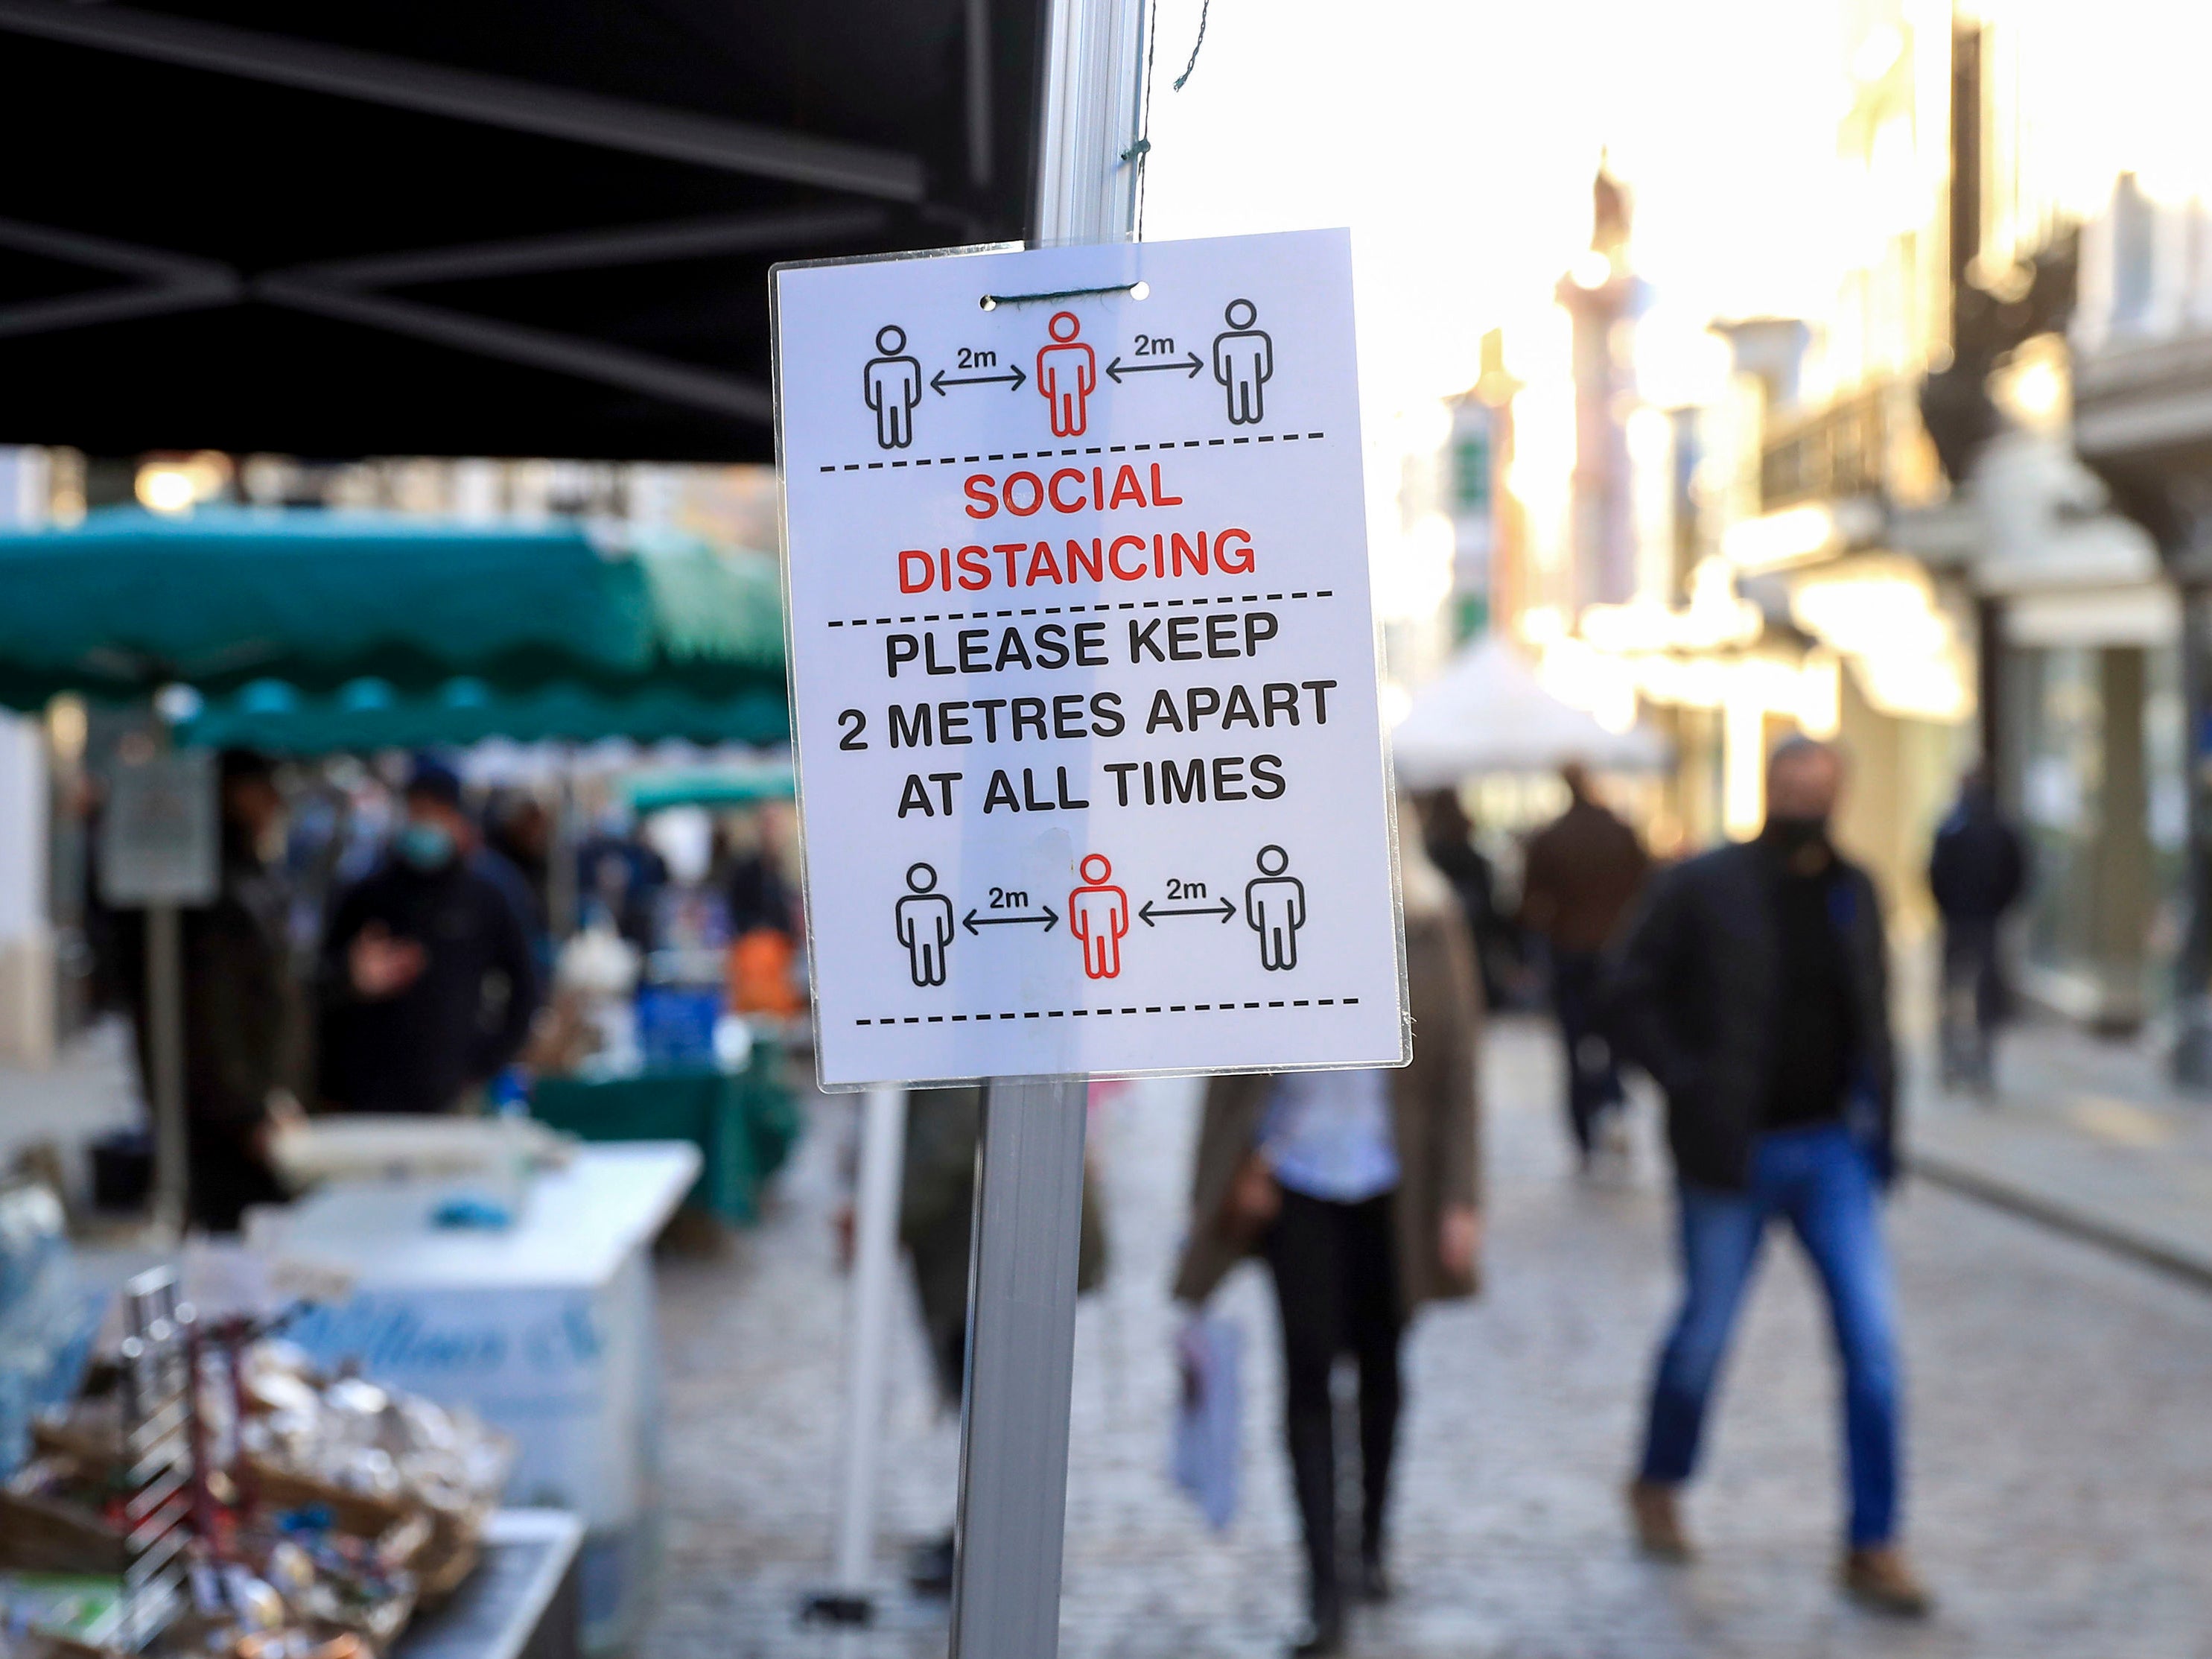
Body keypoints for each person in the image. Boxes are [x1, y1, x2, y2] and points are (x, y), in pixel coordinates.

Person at [1607, 737, 1930, 1617]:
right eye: (1792, 789)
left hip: (1834, 1150)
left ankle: (1875, 1540)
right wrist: (1686, 1082)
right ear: (1768, 791)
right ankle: (1660, 1478)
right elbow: (1628, 990)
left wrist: (1884, 1122)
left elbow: (1874, 1012)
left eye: (1820, 790)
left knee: (1875, 1349)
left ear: (1843, 793)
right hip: (1732, 1156)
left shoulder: (1853, 890)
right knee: (1704, 1334)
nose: (1805, 804)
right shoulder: (1704, 885)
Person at [1174, 831, 1482, 1658]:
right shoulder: (1262, 905)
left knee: (1380, 1366)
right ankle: (1327, 1588)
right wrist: (1230, 1170)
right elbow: (1228, 1056)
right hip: (1297, 1177)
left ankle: (1371, 1539)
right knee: (1309, 1372)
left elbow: (1459, 1071)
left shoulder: (1426, 922)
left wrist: (1461, 1196)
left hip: (1394, 1184)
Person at [317, 758, 541, 1114]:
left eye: (436, 811)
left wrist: (485, 1062)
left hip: (452, 1090)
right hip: (370, 1095)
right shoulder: (367, 893)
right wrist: (351, 978)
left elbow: (526, 986)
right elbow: (318, 984)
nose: (425, 822)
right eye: (417, 810)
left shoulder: (488, 893)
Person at [163, 750, 304, 1231]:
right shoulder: (220, 892)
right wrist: (248, 1114)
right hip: (231, 1123)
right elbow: (213, 1015)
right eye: (267, 792)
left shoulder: (254, 877)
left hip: (258, 1106)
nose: (278, 806)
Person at [1519, 762, 1649, 1167]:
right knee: (1614, 1041)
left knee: (1575, 1047)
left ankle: (1586, 1134)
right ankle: (1613, 1107)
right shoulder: (1619, 833)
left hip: (1571, 953)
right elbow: (1647, 889)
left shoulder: (1553, 837)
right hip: (1615, 954)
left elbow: (1529, 902)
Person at [1927, 765, 2027, 1095]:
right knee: (1965, 997)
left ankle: (1964, 1065)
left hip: (1975, 920)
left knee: (1965, 996)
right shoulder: (1968, 828)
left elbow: (2015, 874)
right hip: (1972, 920)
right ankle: (1964, 1065)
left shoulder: (1971, 828)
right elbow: (1934, 875)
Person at [1418, 790, 1519, 1012]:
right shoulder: (1470, 858)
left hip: (1453, 939)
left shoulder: (1432, 858)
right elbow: (1490, 904)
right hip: (1473, 937)